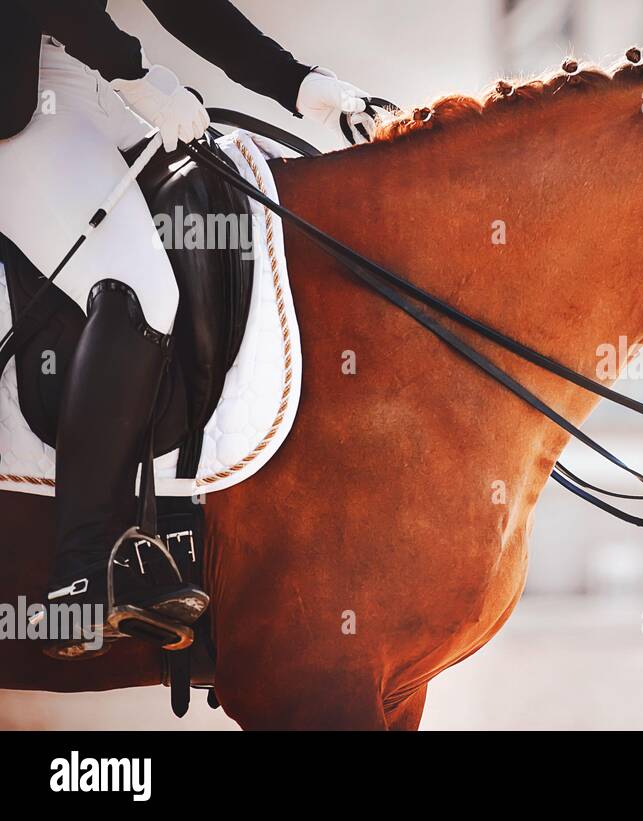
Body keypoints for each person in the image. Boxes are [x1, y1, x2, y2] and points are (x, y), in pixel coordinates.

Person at [0, 1, 368, 658]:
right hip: (21, 96)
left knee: (206, 209)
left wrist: (304, 88)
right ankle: (83, 573)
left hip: (89, 84)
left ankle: (175, 527)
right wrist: (138, 77)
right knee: (138, 286)